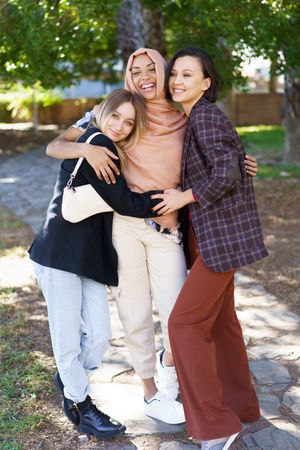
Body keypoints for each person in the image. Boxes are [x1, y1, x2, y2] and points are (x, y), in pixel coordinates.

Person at [46, 48, 258, 425]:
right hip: (124, 227)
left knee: (179, 314)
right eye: (136, 69)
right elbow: (56, 145)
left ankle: (170, 365)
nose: (145, 76)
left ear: (164, 74)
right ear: (128, 76)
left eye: (153, 69)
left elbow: (214, 158)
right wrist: (87, 151)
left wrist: (241, 165)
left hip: (168, 228)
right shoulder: (121, 112)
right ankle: (151, 393)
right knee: (135, 313)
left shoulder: (185, 118)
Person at [29, 89, 165, 440]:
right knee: (67, 339)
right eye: (116, 116)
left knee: (100, 335)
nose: (120, 125)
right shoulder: (98, 141)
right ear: (103, 112)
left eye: (129, 122)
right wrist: (178, 199)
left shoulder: (103, 143)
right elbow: (126, 202)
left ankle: (68, 379)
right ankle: (80, 405)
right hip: (58, 253)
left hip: (87, 257)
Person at [152, 47, 268, 450]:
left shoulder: (205, 116)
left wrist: (184, 197)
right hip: (210, 239)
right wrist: (239, 160)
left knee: (183, 325)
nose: (177, 81)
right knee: (221, 323)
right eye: (175, 75)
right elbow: (231, 163)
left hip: (219, 241)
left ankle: (218, 425)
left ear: (206, 83)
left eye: (188, 74)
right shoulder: (196, 118)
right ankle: (242, 406)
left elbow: (225, 172)